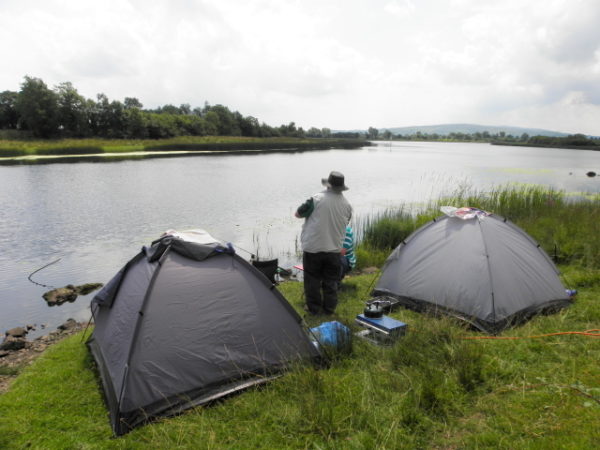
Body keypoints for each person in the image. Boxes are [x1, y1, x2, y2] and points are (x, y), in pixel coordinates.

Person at [295, 171, 352, 315]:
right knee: (331, 281)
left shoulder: (316, 199)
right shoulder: (347, 205)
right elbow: (346, 222)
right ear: (341, 188)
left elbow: (298, 213)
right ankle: (329, 309)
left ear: (328, 185)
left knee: (312, 280)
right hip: (334, 250)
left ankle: (314, 308)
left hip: (313, 248)